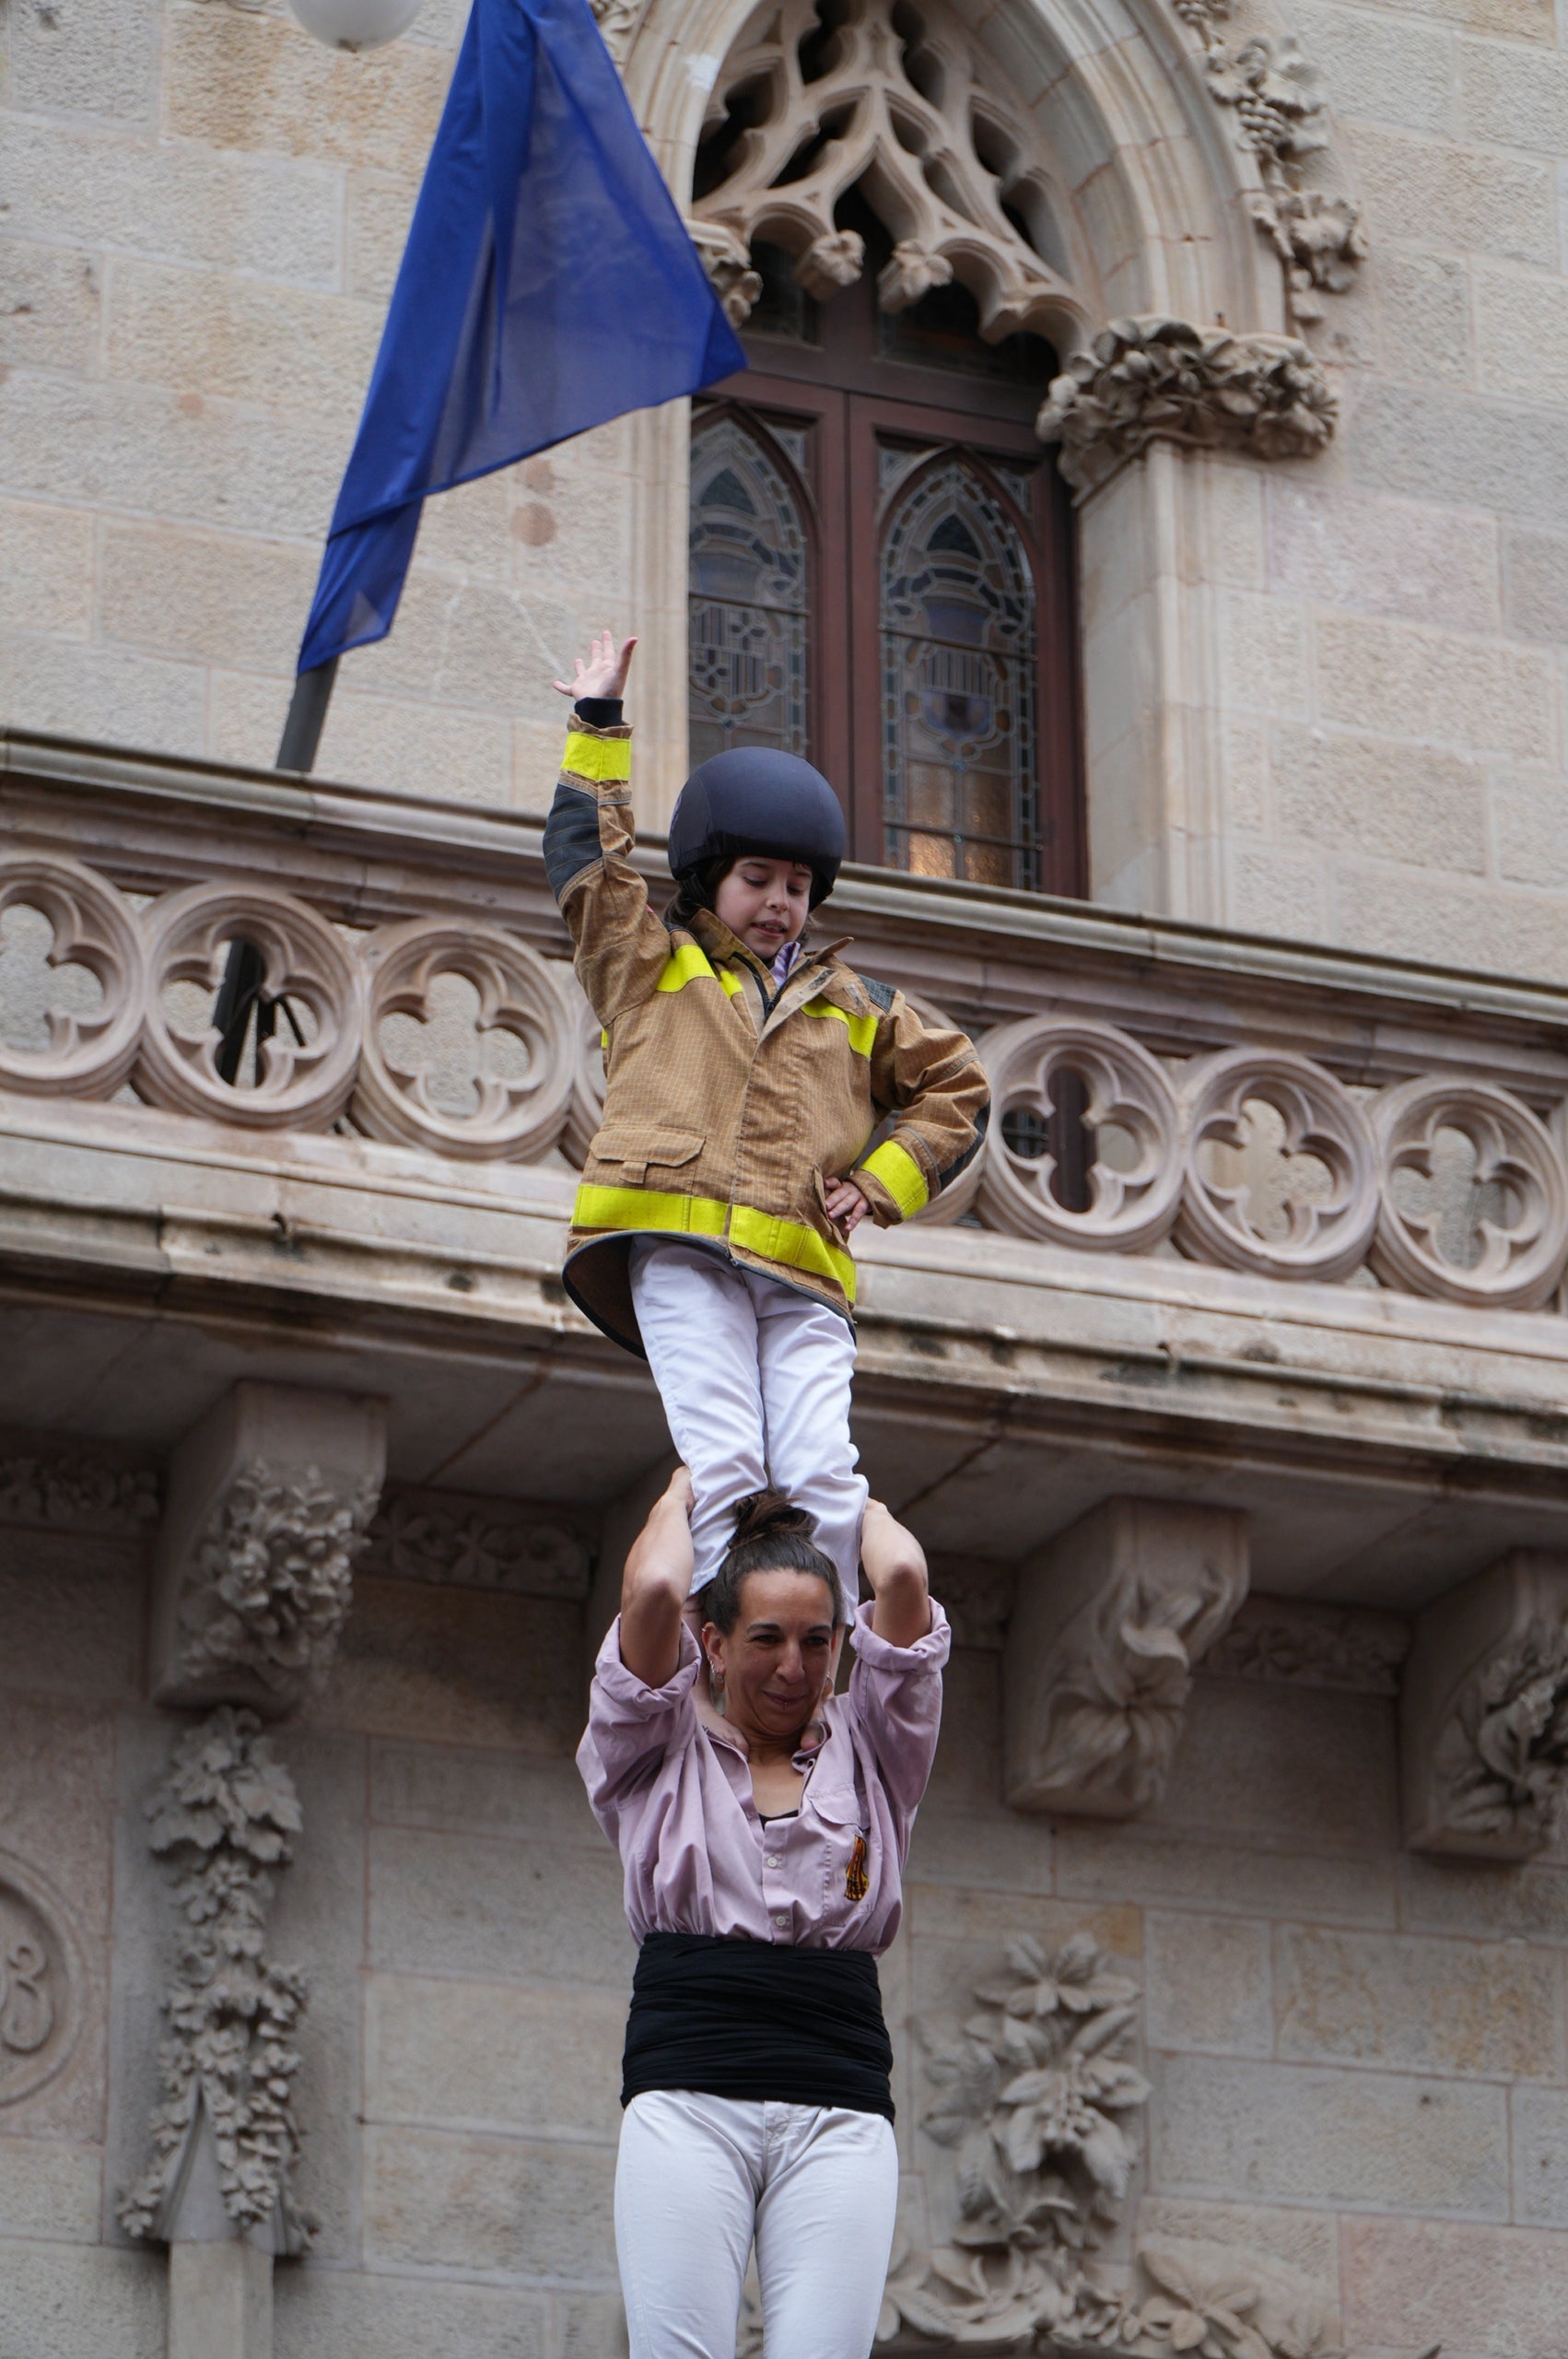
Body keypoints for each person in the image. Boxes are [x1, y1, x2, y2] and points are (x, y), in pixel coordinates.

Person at [544, 629, 989, 1613]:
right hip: (680, 1247)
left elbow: (960, 1087)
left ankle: (817, 1674)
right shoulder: (649, 964)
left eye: (796, 886)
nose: (780, 903)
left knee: (826, 1473)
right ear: (709, 880)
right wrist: (598, 725)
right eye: (758, 879)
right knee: (728, 1459)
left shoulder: (857, 1001)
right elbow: (589, 865)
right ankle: (719, 1661)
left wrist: (879, 1184)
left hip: (803, 1271)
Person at [578, 1471, 950, 2359]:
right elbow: (658, 1589)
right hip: (689, 2094)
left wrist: (837, 1484)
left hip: (839, 2104)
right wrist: (680, 1494)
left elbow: (902, 1581)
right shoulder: (652, 1745)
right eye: (767, 1638)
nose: (794, 1666)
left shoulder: (876, 1744)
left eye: (818, 1640)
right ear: (711, 1641)